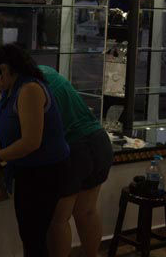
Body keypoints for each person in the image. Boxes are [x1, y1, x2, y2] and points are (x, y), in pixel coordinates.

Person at [0, 44, 69, 257]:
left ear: (4, 69)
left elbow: (31, 141)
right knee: (29, 235)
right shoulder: (10, 90)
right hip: (28, 172)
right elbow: (3, 125)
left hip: (45, 173)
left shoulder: (29, 90)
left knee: (34, 237)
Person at [40, 65, 113, 257]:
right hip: (99, 141)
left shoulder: (27, 86)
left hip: (74, 149)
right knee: (87, 212)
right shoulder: (48, 72)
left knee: (58, 219)